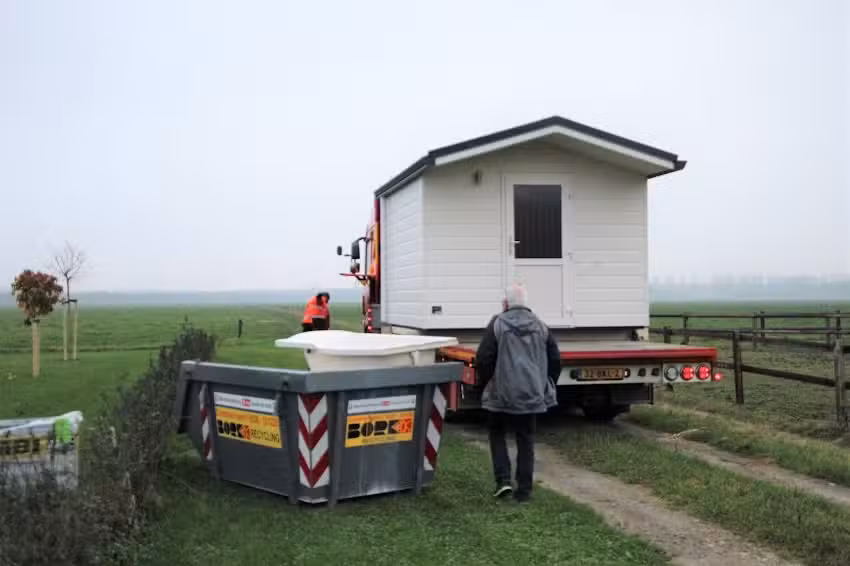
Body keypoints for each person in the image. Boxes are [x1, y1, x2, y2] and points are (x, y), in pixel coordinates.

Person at [475, 283, 560, 503]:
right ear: (525, 303)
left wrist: (486, 383)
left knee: (497, 433)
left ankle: (503, 481)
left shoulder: (497, 324)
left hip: (501, 393)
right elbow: (555, 359)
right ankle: (524, 490)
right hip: (531, 394)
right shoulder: (541, 326)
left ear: (506, 303)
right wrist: (547, 383)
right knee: (526, 439)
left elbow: (483, 359)